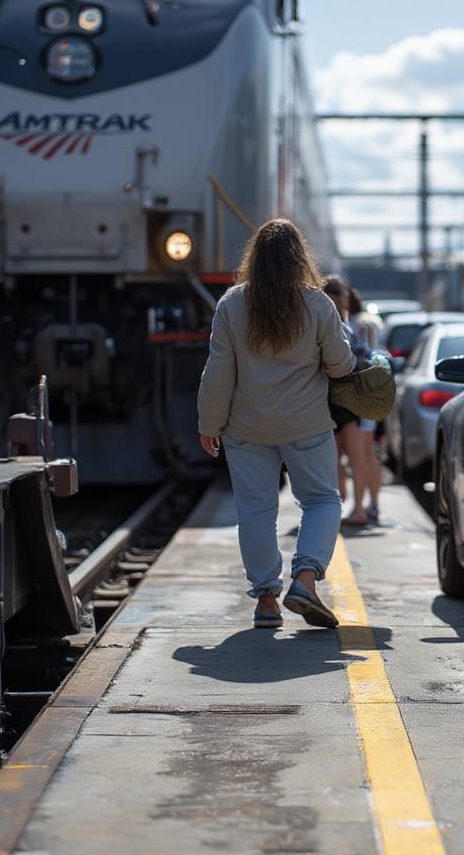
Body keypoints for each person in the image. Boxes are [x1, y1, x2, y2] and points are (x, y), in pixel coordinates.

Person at [197, 219, 356, 629]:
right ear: (298, 258)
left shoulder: (231, 305)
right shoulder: (318, 304)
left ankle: (266, 600)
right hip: (306, 426)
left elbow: (217, 372)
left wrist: (208, 424)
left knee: (255, 511)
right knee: (322, 501)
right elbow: (341, 365)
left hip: (246, 429)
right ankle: (305, 579)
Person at [322, 275, 374, 527]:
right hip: (342, 400)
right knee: (348, 457)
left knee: (350, 456)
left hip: (342, 400)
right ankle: (352, 506)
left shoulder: (352, 327)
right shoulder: (352, 326)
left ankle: (357, 508)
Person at [346, 287, 383, 525]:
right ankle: (374, 505)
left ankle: (360, 508)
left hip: (360, 391)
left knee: (360, 455)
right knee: (371, 453)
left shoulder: (352, 324)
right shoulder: (372, 322)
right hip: (377, 389)